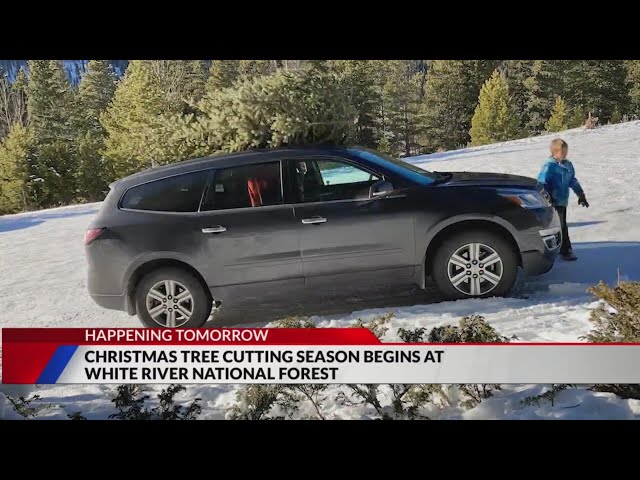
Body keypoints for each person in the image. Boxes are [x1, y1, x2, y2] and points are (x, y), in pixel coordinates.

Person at [537, 138, 589, 261]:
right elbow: (541, 183)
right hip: (551, 202)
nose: (564, 154)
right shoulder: (549, 166)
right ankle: (565, 250)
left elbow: (572, 181)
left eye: (566, 152)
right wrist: (547, 197)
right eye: (562, 152)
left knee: (560, 225)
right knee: (559, 226)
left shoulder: (568, 165)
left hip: (562, 201)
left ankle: (560, 249)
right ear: (554, 152)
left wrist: (581, 194)